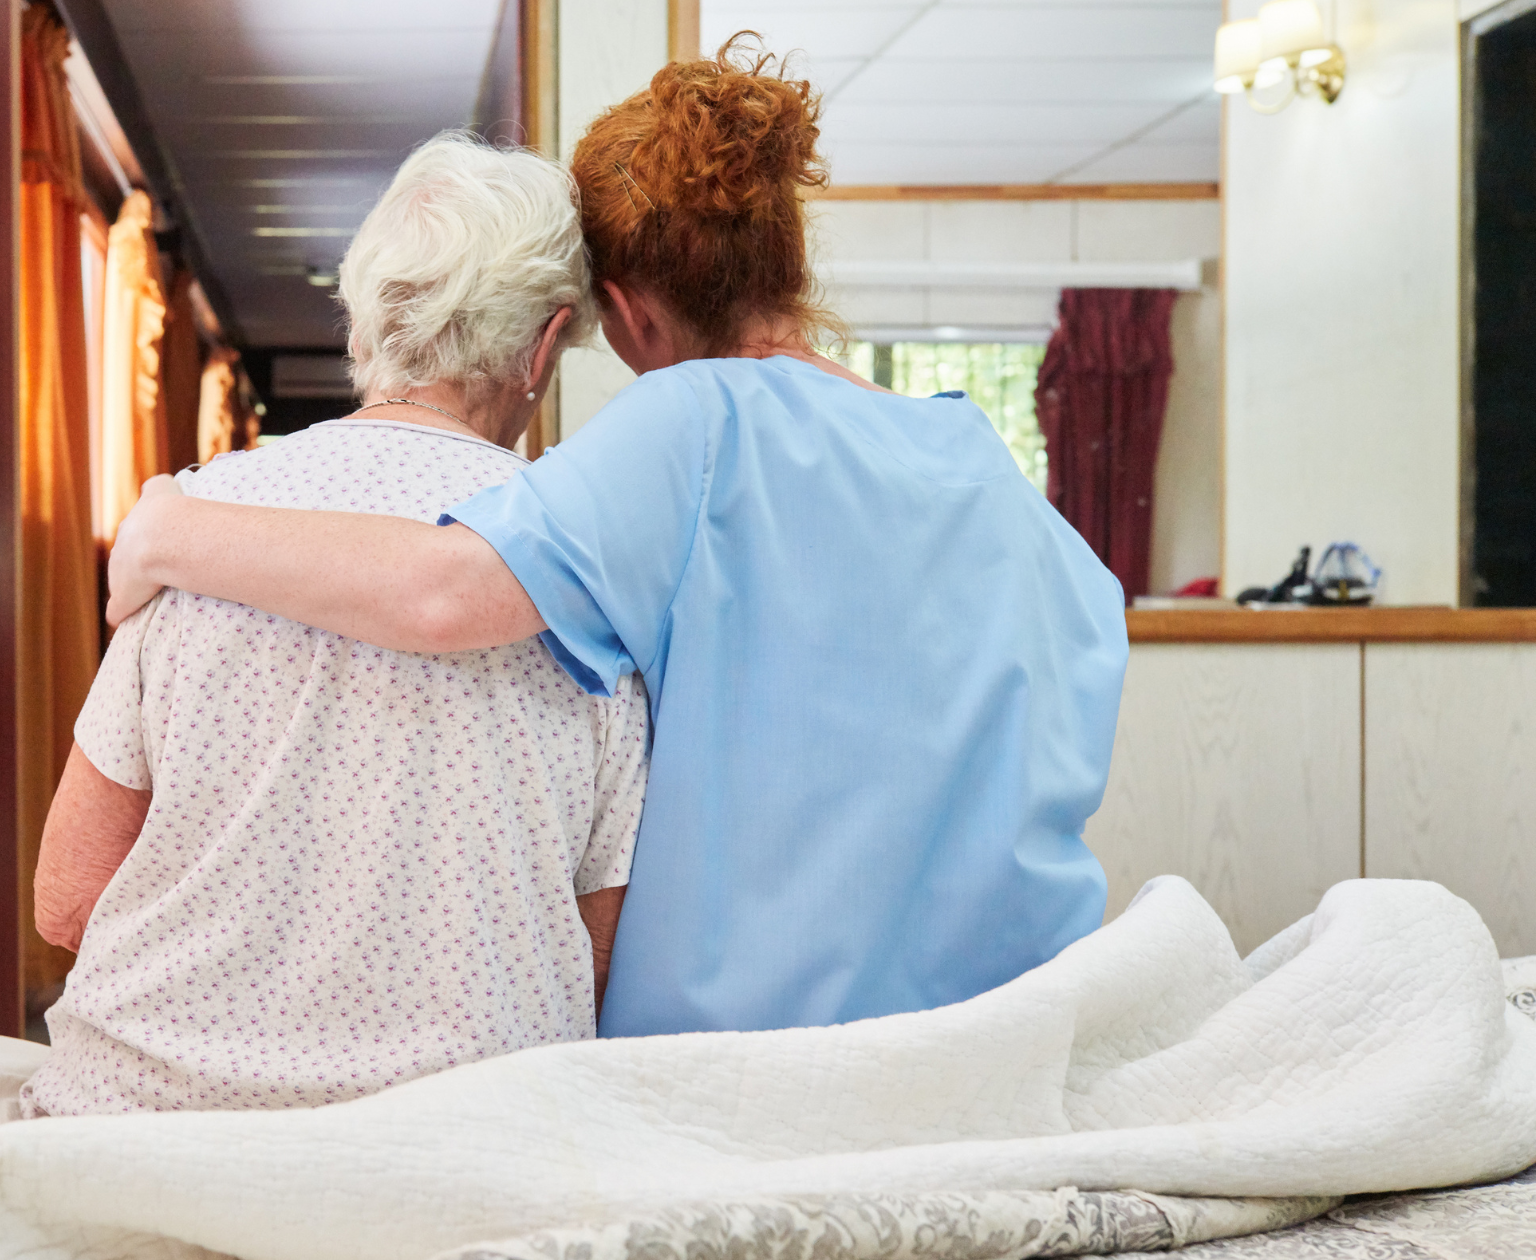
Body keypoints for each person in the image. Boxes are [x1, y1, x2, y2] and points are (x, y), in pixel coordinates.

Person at [104, 40, 1128, 1039]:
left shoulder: (697, 419)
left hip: (752, 1066)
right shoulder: (977, 458)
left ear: (630, 314)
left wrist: (169, 530)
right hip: (1008, 1032)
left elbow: (440, 593)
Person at [22, 134, 650, 1117]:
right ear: (544, 346)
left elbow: (68, 899)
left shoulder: (193, 526)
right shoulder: (586, 576)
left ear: (363, 322)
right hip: (458, 1149)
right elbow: (602, 956)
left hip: (140, 1132)